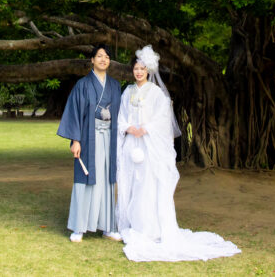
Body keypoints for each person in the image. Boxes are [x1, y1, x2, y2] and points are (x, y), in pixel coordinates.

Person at [116, 45, 241, 262]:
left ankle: (150, 228)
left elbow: (162, 119)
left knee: (148, 183)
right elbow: (122, 116)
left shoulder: (156, 93)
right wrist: (129, 128)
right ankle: (132, 224)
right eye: (136, 68)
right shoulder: (127, 91)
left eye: (142, 69)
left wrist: (145, 129)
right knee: (132, 182)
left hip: (149, 145)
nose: (138, 72)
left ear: (149, 71)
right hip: (131, 144)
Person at [57, 43, 123, 242]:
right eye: (100, 56)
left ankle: (108, 226)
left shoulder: (115, 85)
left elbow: (121, 115)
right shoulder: (83, 85)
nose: (104, 59)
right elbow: (75, 112)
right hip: (88, 137)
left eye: (107, 57)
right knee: (86, 180)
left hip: (109, 137)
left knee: (107, 180)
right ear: (92, 60)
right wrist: (75, 140)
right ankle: (79, 227)